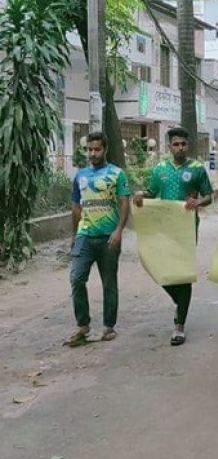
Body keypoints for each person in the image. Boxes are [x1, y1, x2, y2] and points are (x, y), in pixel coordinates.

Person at [132, 128, 213, 346]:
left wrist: (198, 202)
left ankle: (180, 326)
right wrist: (140, 195)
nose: (180, 148)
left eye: (183, 144)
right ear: (169, 147)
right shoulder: (160, 169)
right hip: (164, 230)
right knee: (159, 268)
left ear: (188, 145)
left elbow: (208, 196)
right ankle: (180, 302)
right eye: (176, 144)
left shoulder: (197, 169)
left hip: (186, 229)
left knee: (183, 274)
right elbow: (151, 193)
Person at [64, 132, 131, 347]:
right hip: (84, 235)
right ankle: (83, 326)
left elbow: (124, 203)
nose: (93, 154)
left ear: (105, 149)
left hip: (108, 237)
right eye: (90, 150)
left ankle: (109, 326)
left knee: (109, 282)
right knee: (76, 278)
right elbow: (76, 206)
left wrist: (119, 230)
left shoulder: (117, 174)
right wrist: (74, 234)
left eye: (97, 149)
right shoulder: (80, 176)